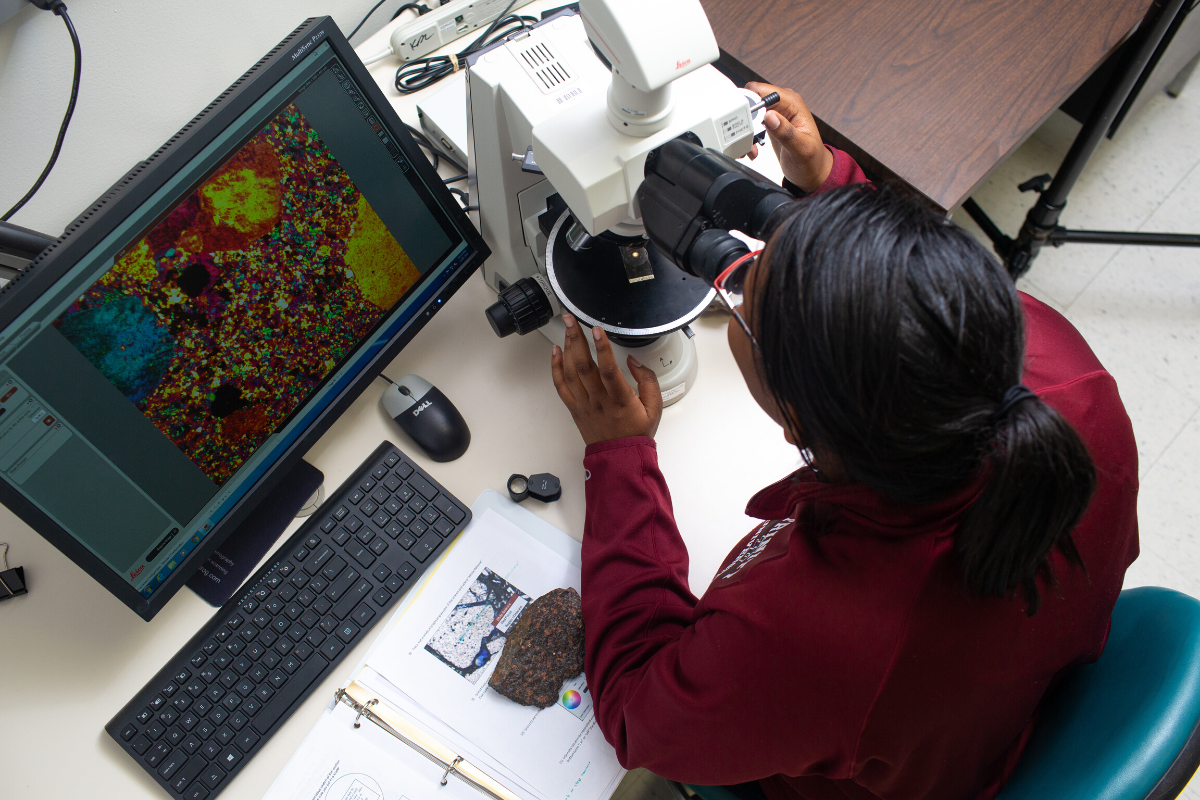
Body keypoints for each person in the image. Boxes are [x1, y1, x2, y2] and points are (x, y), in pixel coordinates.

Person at [548, 82, 1140, 800]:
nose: (734, 278)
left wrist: (619, 461)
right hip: (986, 707)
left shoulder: (823, 630)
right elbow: (916, 291)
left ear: (797, 423)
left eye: (745, 306)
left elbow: (638, 716)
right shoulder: (1064, 372)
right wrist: (830, 182)